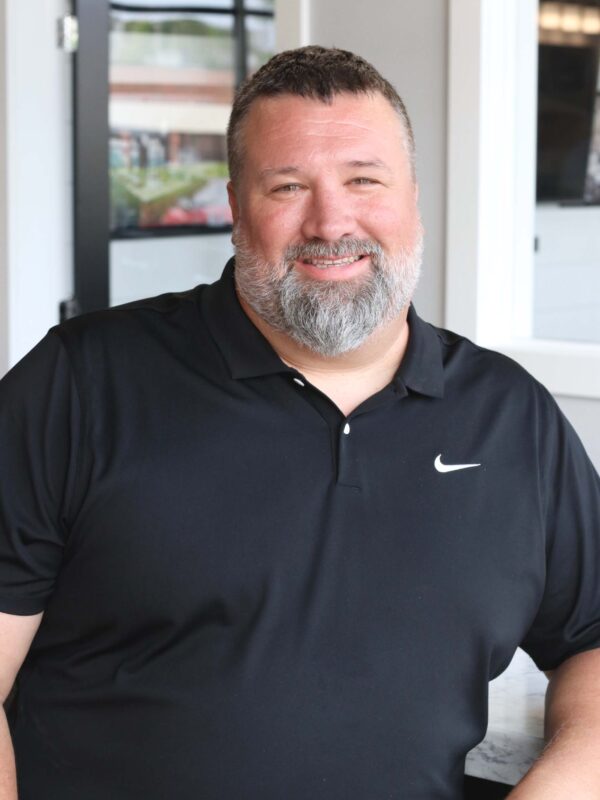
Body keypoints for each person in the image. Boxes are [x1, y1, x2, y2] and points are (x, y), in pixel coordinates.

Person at [0, 46, 599, 800]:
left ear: (413, 196)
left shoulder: (511, 417)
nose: (331, 221)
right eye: (288, 185)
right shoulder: (79, 384)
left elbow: (592, 636)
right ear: (234, 205)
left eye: (364, 180)